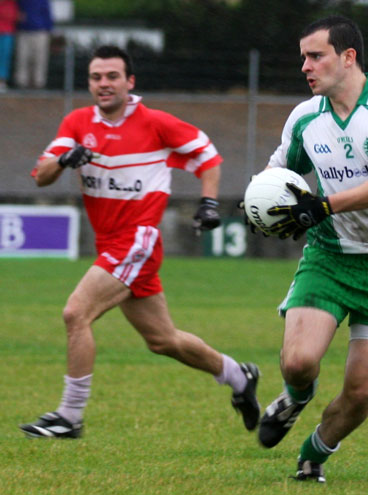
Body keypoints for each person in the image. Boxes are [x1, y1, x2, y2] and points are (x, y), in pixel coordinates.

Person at [20, 45, 260, 439]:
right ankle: (239, 376)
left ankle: (70, 416)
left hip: (138, 240)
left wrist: (209, 202)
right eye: (96, 77)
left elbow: (208, 155)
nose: (103, 84)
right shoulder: (78, 122)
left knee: (75, 314)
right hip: (111, 245)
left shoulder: (155, 122)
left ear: (129, 82)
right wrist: (65, 160)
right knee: (162, 340)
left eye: (112, 76)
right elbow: (41, 175)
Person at [252, 16, 368, 483]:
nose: (306, 67)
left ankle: (315, 452)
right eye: (303, 58)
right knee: (298, 361)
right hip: (330, 258)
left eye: (316, 56)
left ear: (347, 57)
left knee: (359, 395)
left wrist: (324, 204)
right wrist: (260, 207)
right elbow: (276, 177)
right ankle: (295, 395)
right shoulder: (306, 116)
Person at [14, 0, 53, 89]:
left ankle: (39, 83)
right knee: (23, 57)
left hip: (40, 32)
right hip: (24, 31)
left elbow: (48, 16)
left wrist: (48, 31)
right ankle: (22, 82)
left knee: (39, 58)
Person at [0, 0, 18, 92]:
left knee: (4, 58)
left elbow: (12, 16)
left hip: (6, 34)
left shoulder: (10, 2)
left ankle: (2, 81)